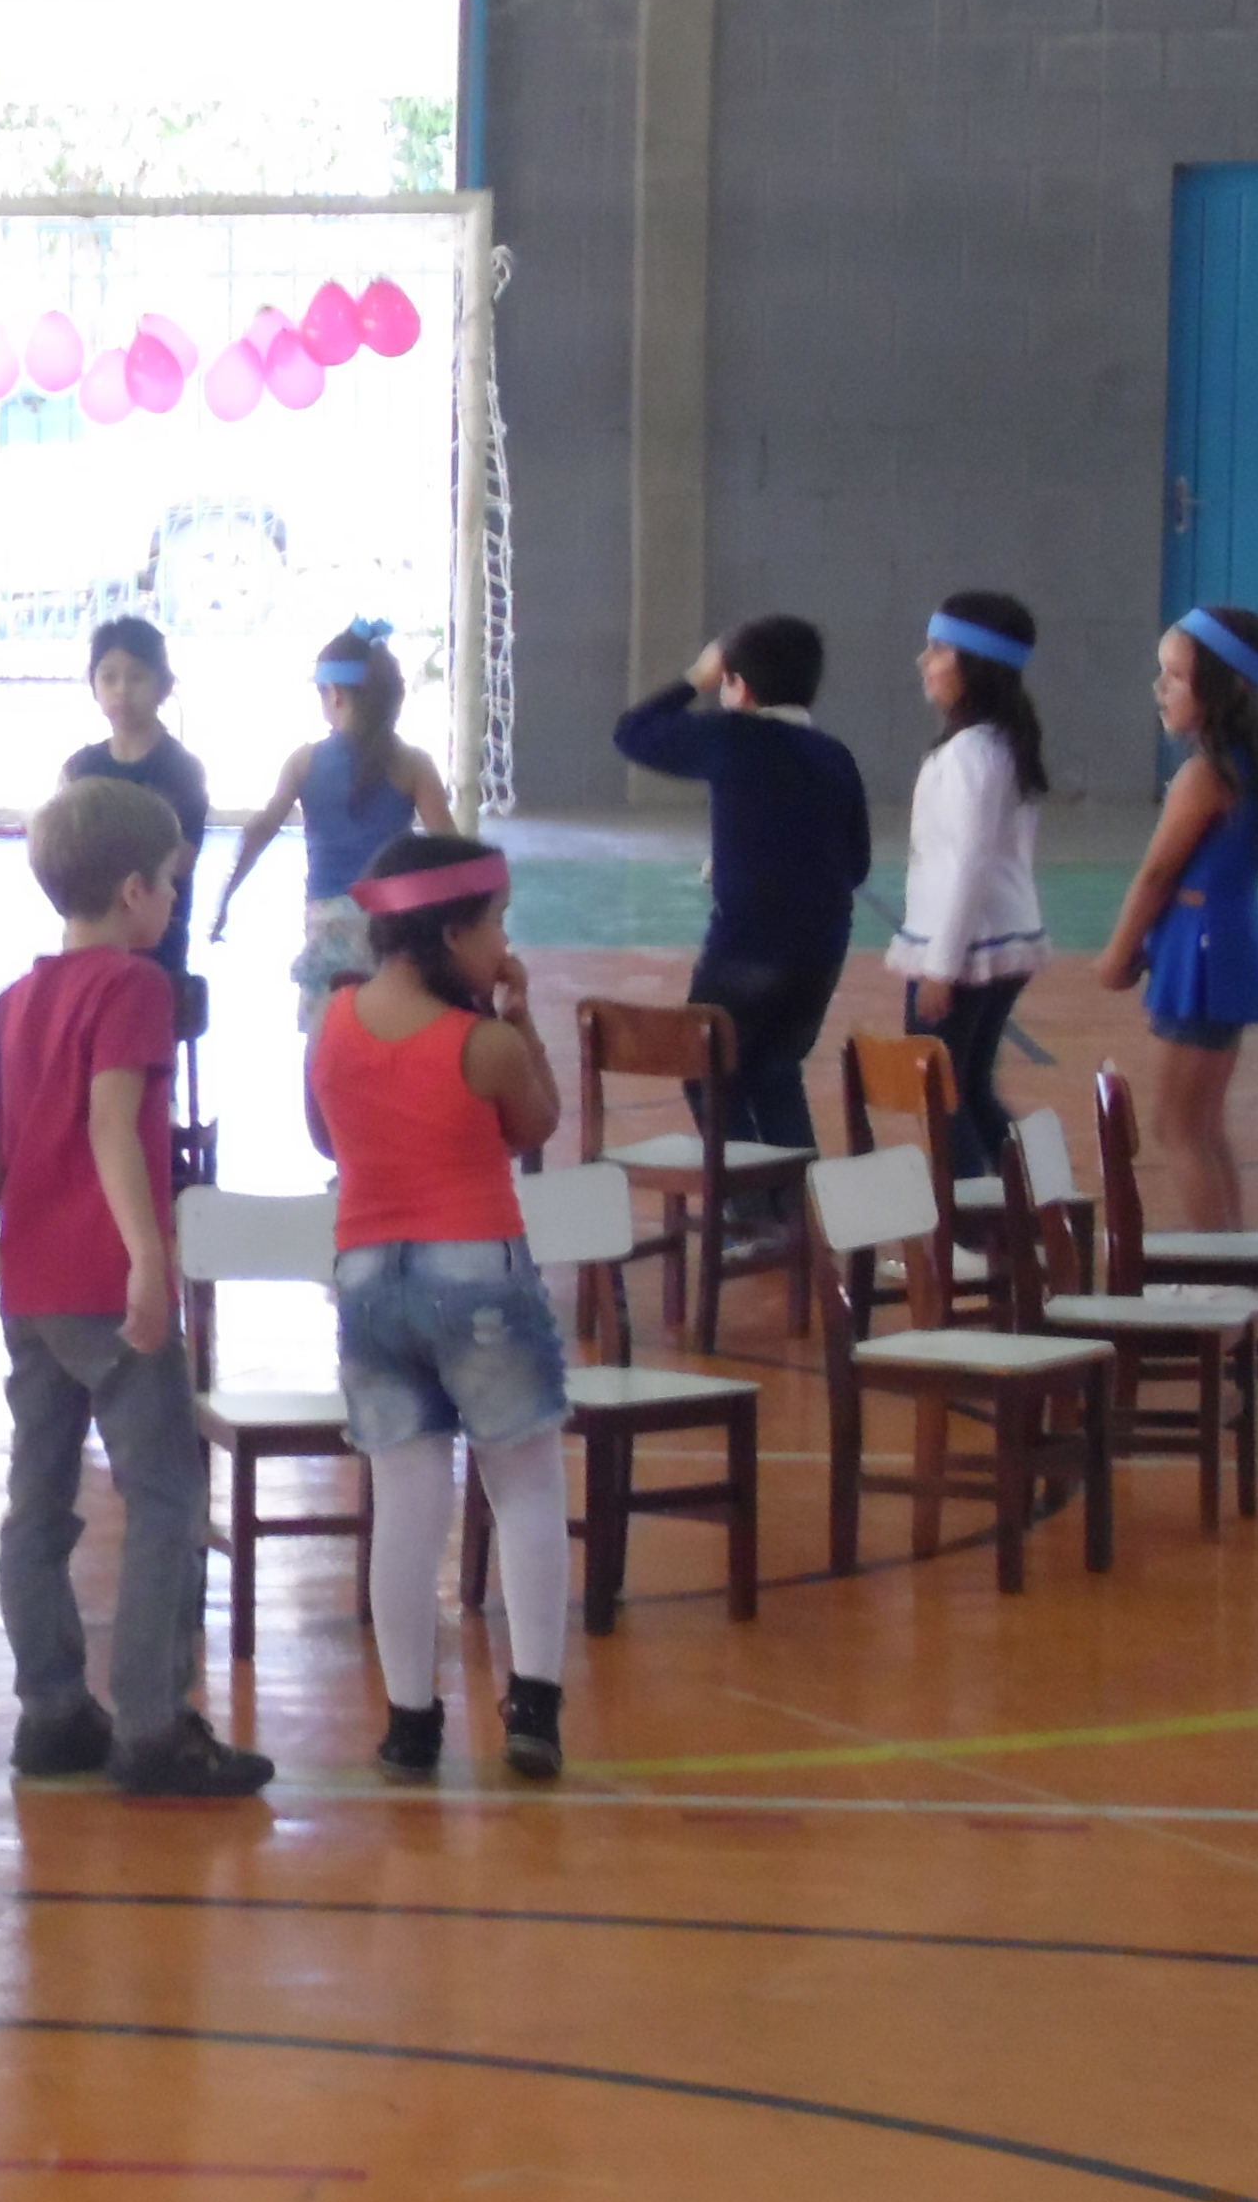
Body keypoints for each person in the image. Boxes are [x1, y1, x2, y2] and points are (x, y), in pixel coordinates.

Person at [0, 776, 272, 1801]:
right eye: (169, 882)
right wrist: (148, 1262)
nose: (171, 899)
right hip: (106, 1280)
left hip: (30, 1288)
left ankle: (51, 1712)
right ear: (134, 891)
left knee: (37, 1505)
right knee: (165, 1497)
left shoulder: (11, 1003)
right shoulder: (135, 990)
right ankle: (152, 1724)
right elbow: (112, 1125)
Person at [305, 834, 576, 1781]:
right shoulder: (484, 1044)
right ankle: (532, 1707)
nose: (504, 941)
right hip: (476, 1271)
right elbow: (538, 1125)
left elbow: (322, 1135)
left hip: (368, 1275)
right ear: (454, 933)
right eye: (496, 922)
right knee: (525, 1484)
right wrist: (520, 1018)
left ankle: (411, 1723)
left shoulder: (332, 1023)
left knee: (406, 1506)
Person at [612, 616, 872, 1155]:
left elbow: (632, 733)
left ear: (738, 685)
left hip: (749, 946)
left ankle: (746, 1197)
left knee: (705, 1070)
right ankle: (794, 1198)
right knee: (777, 1074)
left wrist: (695, 678)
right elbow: (855, 864)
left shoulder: (732, 736)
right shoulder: (835, 756)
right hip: (822, 951)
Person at [1096, 606, 1258, 1231]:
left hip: (1201, 956)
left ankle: (1217, 1268)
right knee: (1202, 1126)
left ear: (1225, 685)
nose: (1161, 688)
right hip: (1222, 947)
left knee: (1178, 1128)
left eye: (1177, 676)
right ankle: (1232, 1258)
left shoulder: (1205, 774)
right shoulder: (1246, 764)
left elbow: (1156, 875)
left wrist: (1117, 953)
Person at [212, 621, 457, 1024]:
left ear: (335, 694)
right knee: (392, 1027)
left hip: (329, 920)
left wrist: (226, 898)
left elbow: (260, 831)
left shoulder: (303, 762)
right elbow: (447, 849)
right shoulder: (413, 764)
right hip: (394, 921)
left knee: (327, 1031)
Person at [890, 594, 1051, 1177]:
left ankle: (965, 1216)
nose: (924, 661)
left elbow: (969, 863)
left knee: (939, 1092)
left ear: (975, 666)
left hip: (966, 949)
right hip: (999, 938)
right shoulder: (1001, 745)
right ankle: (1028, 1200)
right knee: (970, 1087)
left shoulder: (971, 754)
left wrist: (941, 966)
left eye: (938, 650)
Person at [65, 614, 212, 986]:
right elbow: (64, 858)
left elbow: (182, 859)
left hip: (157, 943)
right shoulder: (79, 769)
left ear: (163, 685)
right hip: (89, 941)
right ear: (93, 685)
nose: (122, 690)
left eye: (136, 677)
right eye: (108, 677)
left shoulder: (182, 770)